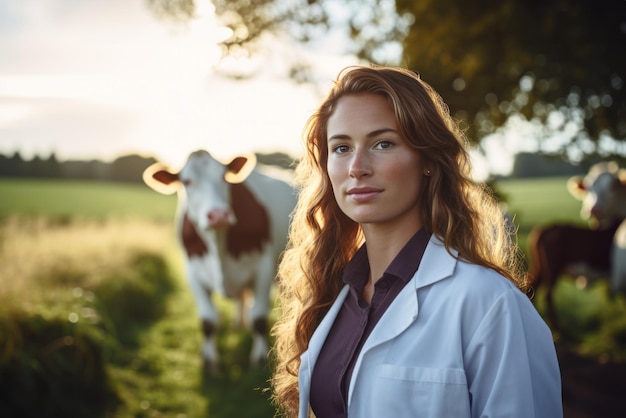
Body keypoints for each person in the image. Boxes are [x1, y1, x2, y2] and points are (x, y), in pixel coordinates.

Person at [270, 65, 562, 418]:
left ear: (427, 159)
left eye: (382, 143)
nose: (357, 167)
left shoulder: (491, 304)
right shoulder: (332, 293)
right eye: (342, 147)